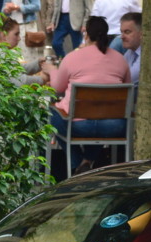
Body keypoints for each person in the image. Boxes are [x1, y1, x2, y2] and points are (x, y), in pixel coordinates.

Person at [49, 16, 131, 172]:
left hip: (78, 126)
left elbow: (57, 88)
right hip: (115, 126)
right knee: (97, 120)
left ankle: (77, 164)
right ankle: (87, 161)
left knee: (52, 116)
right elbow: (126, 88)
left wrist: (52, 70)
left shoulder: (72, 57)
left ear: (86, 34)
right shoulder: (121, 59)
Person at [0, 18, 57, 84]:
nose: (19, 38)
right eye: (16, 34)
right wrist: (42, 79)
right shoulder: (1, 54)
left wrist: (38, 63)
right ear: (4, 36)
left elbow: (18, 69)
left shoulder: (1, 51)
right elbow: (19, 81)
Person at [119, 12, 142, 83]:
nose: (122, 37)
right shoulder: (130, 52)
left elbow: (128, 80)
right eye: (121, 32)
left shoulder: (148, 55)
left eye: (127, 32)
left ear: (142, 34)